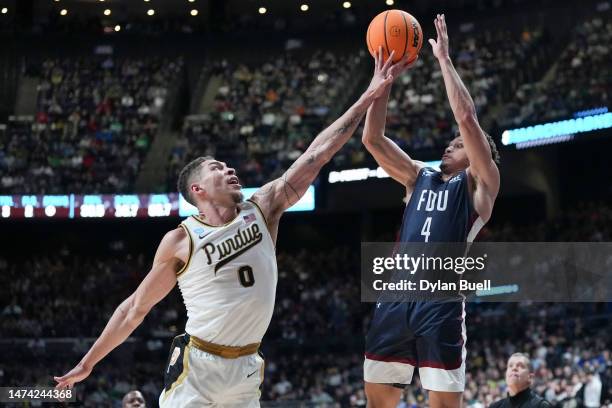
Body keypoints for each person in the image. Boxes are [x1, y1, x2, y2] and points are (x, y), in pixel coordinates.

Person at [53, 54, 400, 407]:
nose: (230, 169)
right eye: (217, 168)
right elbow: (134, 310)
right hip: (198, 367)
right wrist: (87, 363)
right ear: (197, 190)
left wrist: (368, 95)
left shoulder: (263, 207)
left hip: (248, 366)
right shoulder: (181, 240)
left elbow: (317, 154)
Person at [361, 14, 501, 408]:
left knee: (442, 405)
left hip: (439, 302)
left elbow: (467, 118)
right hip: (395, 296)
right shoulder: (416, 177)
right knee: (378, 402)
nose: (449, 146)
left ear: (479, 155)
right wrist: (383, 82)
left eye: (458, 145)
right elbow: (373, 139)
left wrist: (443, 60)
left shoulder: (480, 187)